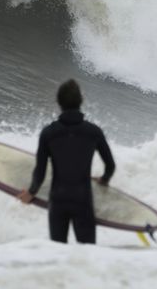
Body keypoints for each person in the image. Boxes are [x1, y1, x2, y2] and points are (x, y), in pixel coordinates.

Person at [17, 79, 115, 244]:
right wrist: (104, 180)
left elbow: (40, 170)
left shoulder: (48, 133)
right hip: (83, 200)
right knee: (87, 255)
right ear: (81, 101)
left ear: (59, 102)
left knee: (58, 256)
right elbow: (110, 165)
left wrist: (31, 192)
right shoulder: (93, 132)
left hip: (58, 200)